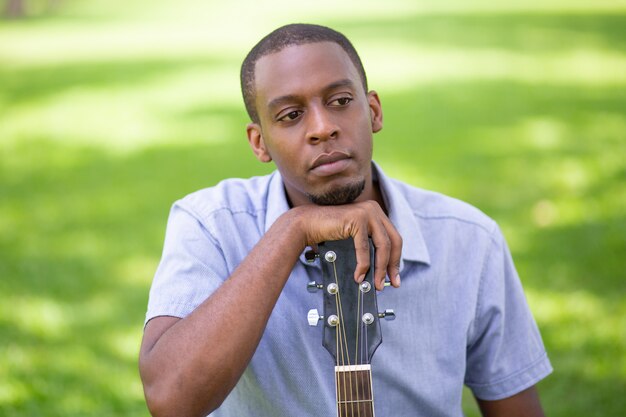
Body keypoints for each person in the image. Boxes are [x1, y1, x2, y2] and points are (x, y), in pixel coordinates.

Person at [139, 23, 552, 417]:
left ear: (372, 111)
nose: (322, 128)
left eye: (339, 102)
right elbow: (172, 400)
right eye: (290, 115)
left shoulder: (468, 239)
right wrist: (292, 229)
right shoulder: (211, 224)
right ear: (259, 142)